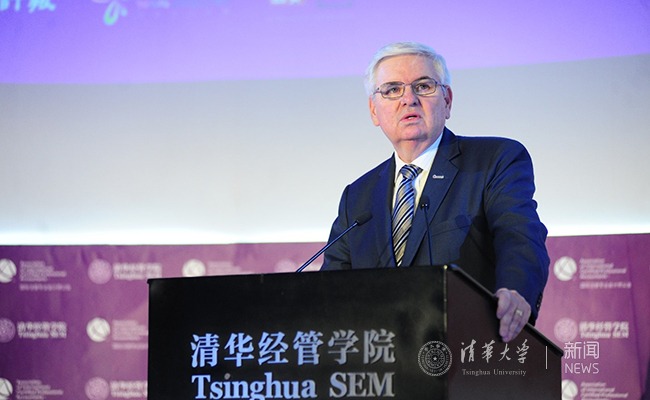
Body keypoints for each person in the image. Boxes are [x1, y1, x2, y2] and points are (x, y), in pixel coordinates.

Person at [320, 42, 549, 343]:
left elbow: (519, 237)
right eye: (392, 90)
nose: (409, 99)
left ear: (447, 101)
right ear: (374, 111)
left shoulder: (495, 160)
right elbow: (329, 289)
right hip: (380, 356)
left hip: (469, 347)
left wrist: (515, 291)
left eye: (423, 86)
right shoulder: (357, 196)